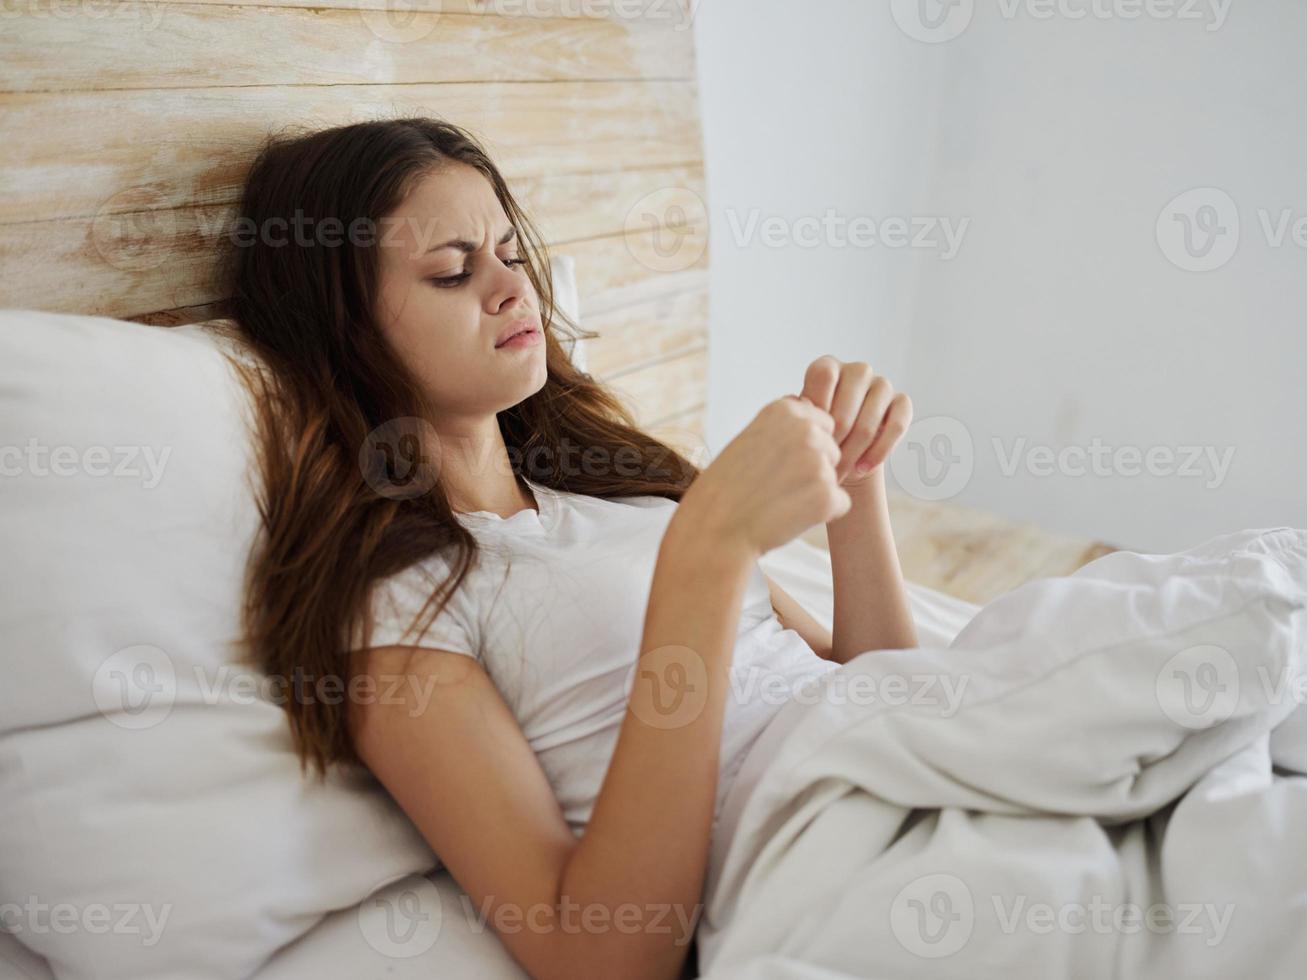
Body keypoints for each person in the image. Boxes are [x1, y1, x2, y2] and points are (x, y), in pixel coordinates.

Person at [223, 117, 917, 980]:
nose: (512, 289)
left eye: (510, 253)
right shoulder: (405, 599)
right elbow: (598, 957)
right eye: (451, 271)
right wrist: (704, 554)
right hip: (837, 859)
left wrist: (856, 485)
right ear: (348, 332)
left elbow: (879, 686)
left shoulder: (617, 496)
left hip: (908, 769)